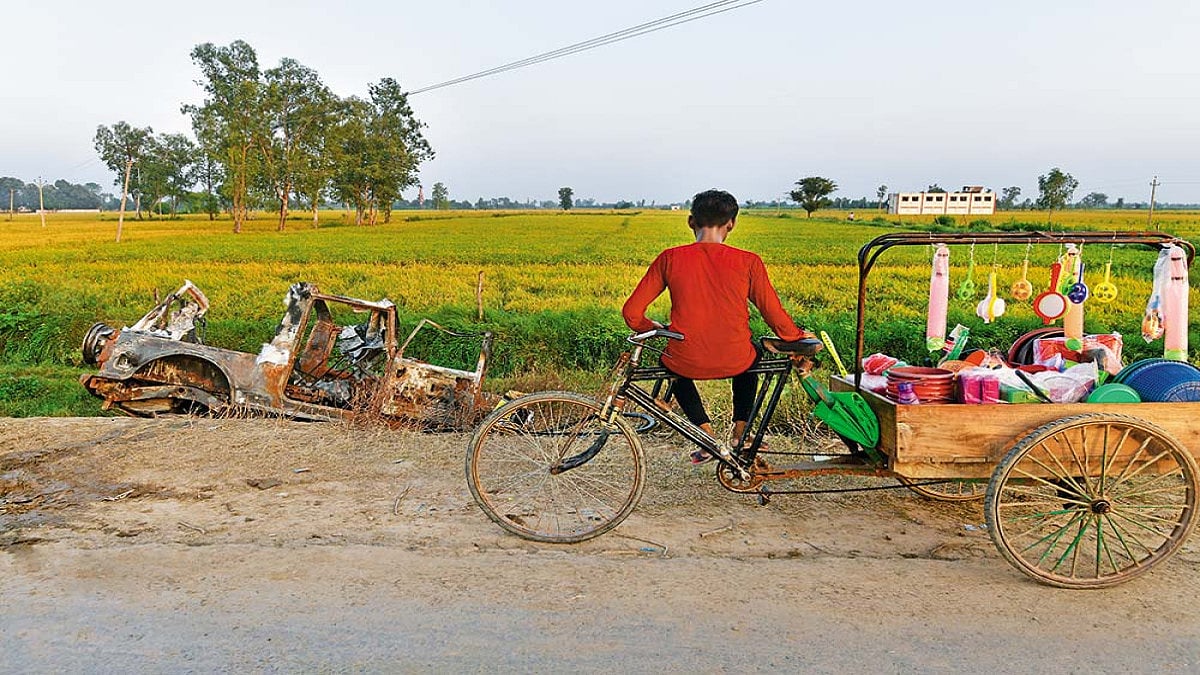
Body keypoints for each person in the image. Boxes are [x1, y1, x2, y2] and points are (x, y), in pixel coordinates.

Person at [622, 189, 813, 463]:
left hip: (687, 358)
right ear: (731, 223)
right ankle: (741, 432)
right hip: (736, 358)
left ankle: (706, 437)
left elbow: (631, 313)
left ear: (691, 221)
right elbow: (773, 313)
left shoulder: (670, 258)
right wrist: (796, 336)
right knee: (752, 358)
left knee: (670, 362)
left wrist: (653, 326)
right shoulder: (749, 262)